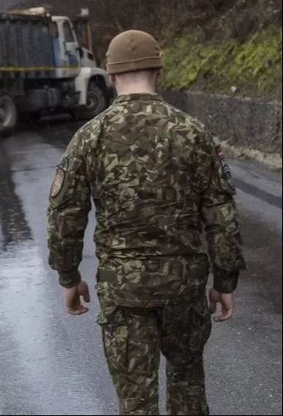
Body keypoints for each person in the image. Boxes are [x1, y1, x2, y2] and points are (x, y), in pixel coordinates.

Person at [46, 29, 246, 415]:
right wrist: (224, 281)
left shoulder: (90, 137)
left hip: (125, 293)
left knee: (135, 402)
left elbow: (64, 213)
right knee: (189, 387)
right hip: (184, 288)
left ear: (111, 75)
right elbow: (221, 214)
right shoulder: (192, 132)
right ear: (159, 71)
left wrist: (69, 277)